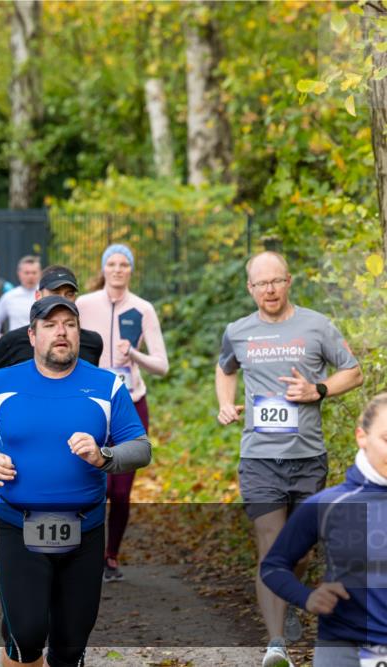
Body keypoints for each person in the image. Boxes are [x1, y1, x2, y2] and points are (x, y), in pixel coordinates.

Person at [0, 295, 152, 667]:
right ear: (32, 335)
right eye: (50, 325)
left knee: (70, 645)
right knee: (26, 635)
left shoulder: (107, 386)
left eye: (69, 324)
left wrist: (104, 455)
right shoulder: (2, 382)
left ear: (79, 332)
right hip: (19, 525)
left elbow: (141, 448)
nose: (61, 332)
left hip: (86, 529)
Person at [215, 250, 363, 667]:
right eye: (261, 283)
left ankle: (289, 598)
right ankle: (276, 644)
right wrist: (225, 403)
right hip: (259, 459)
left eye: (276, 281)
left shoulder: (317, 325)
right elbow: (224, 368)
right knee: (271, 544)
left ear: (289, 281)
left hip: (308, 458)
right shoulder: (238, 331)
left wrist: (317, 389)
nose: (269, 289)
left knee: (299, 554)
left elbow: (353, 372)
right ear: (250, 289)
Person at [261, 393, 387, 667]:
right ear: (361, 437)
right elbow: (273, 566)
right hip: (344, 646)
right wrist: (307, 597)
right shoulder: (328, 504)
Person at [76, 243, 168, 582]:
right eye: (111, 264)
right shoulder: (84, 304)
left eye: (123, 264)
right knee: (92, 483)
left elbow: (162, 365)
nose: (117, 269)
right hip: (93, 405)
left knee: (120, 490)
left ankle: (110, 555)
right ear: (104, 269)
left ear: (131, 270)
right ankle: (85, 552)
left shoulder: (143, 309)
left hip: (131, 402)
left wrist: (134, 356)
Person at [0, 265, 103, 380]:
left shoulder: (93, 342)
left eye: (69, 294)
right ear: (38, 296)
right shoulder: (12, 342)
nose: (62, 299)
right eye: (55, 293)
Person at [0, 255, 42, 336]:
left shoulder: (46, 294)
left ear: (40, 273)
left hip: (40, 344)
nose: (30, 276)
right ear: (19, 274)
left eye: (34, 272)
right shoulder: (10, 296)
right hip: (15, 344)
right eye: (27, 273)